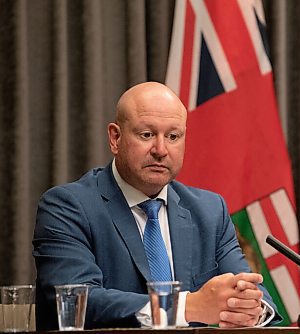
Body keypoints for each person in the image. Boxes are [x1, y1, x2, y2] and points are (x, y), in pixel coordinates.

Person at [32, 82, 281, 330]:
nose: (161, 150)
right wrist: (186, 307)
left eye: (173, 136)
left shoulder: (209, 210)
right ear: (115, 138)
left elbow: (251, 291)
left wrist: (250, 311)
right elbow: (76, 302)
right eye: (147, 135)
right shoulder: (68, 207)